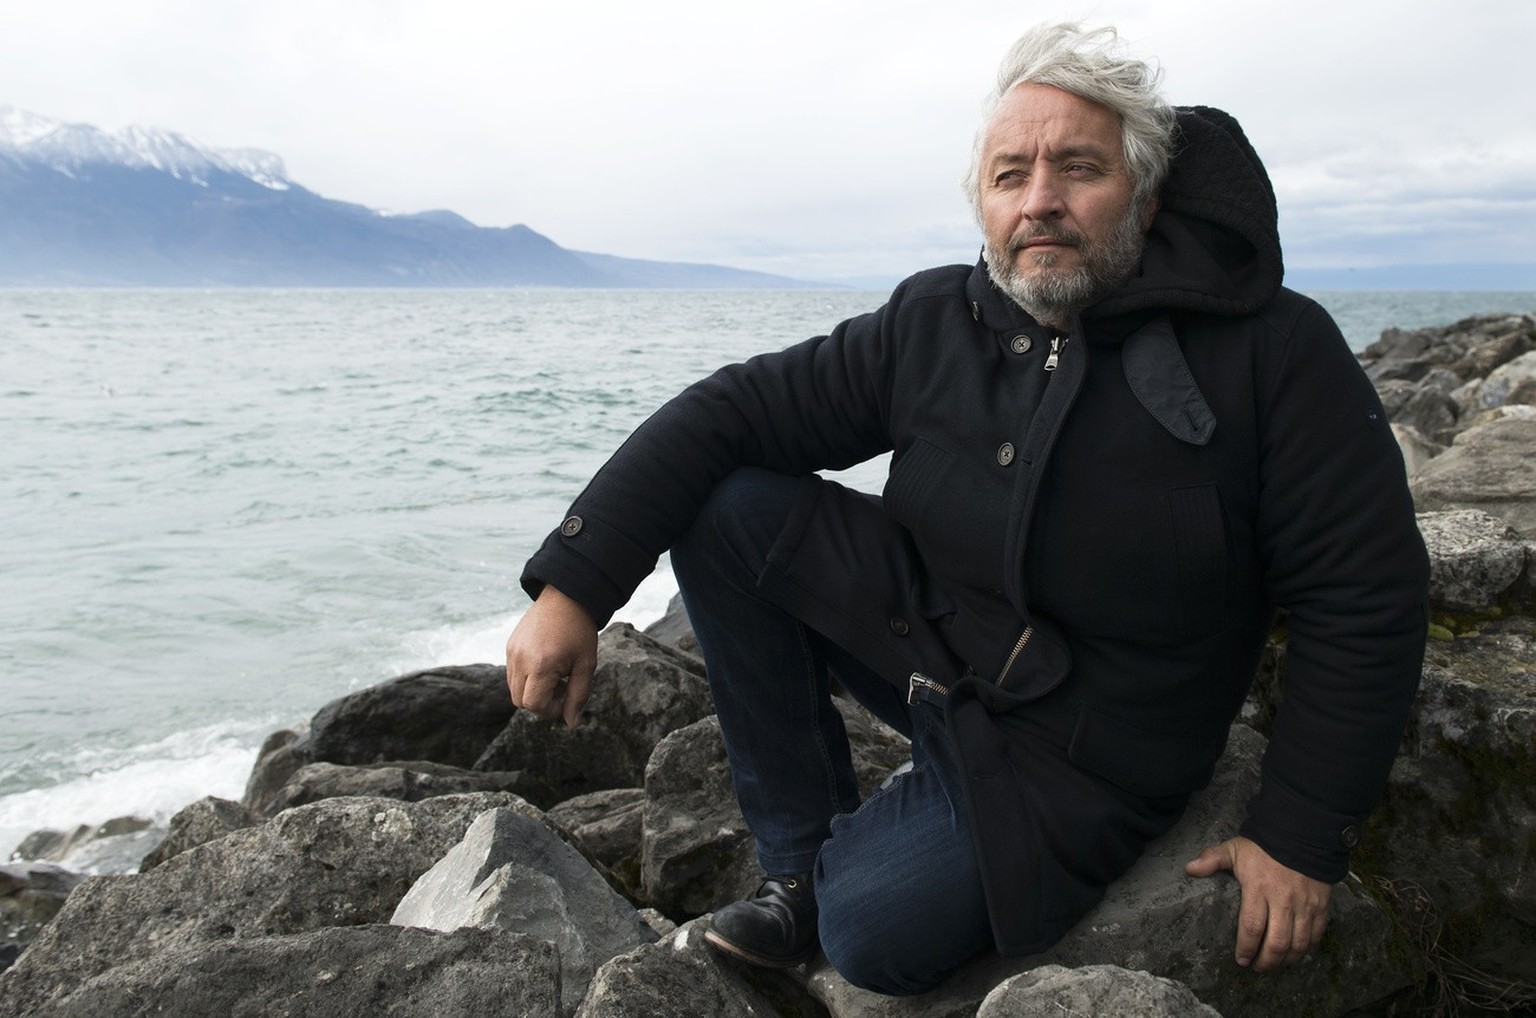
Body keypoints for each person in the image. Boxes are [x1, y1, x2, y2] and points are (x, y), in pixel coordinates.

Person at [505, 22, 1428, 997]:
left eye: (1079, 168)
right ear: (982, 204)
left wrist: (1299, 834)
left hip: (1085, 749)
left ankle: (863, 867)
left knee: (869, 933)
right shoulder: (936, 320)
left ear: (1147, 196)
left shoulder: (1272, 349)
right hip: (936, 641)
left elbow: (1363, 594)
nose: (1041, 201)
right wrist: (575, 584)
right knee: (726, 507)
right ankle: (797, 864)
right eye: (1010, 175)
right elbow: (730, 412)